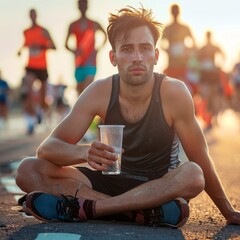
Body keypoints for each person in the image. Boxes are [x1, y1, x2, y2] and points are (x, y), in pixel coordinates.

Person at [16, 5, 240, 228]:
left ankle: (91, 209)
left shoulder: (174, 92)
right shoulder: (99, 92)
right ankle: (136, 214)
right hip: (109, 183)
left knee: (193, 174)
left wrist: (228, 212)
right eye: (127, 49)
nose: (137, 57)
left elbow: (200, 158)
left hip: (158, 185)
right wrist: (84, 152)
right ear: (113, 57)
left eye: (144, 48)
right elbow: (47, 149)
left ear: (156, 55)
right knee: (28, 170)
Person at [18, 8, 56, 134]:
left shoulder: (44, 31)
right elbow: (26, 44)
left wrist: (42, 46)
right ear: (29, 16)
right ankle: (31, 120)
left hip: (42, 67)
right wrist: (20, 50)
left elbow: (54, 46)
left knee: (43, 94)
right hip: (30, 66)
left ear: (36, 16)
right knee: (28, 89)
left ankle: (41, 113)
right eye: (31, 15)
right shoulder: (26, 32)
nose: (32, 17)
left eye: (34, 15)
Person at [65, 0, 107, 95]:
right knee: (80, 93)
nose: (83, 7)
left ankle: (91, 108)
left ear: (87, 6)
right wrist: (74, 51)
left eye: (84, 4)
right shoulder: (73, 25)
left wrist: (97, 49)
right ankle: (83, 109)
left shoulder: (94, 24)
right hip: (79, 62)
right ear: (78, 7)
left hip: (90, 62)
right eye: (81, 5)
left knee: (87, 90)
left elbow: (105, 35)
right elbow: (66, 45)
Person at [197, 30, 225, 130]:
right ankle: (209, 120)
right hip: (205, 78)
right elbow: (196, 59)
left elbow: (223, 55)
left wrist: (219, 65)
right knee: (207, 99)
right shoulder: (202, 49)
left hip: (213, 77)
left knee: (213, 99)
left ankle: (212, 118)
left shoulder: (213, 47)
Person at [161, 4, 196, 81]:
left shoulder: (184, 28)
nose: (175, 13)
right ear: (171, 13)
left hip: (184, 64)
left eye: (176, 11)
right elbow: (161, 44)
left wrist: (187, 50)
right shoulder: (168, 28)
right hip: (172, 64)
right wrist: (168, 50)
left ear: (179, 12)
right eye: (174, 11)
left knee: (185, 86)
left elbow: (194, 43)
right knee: (171, 85)